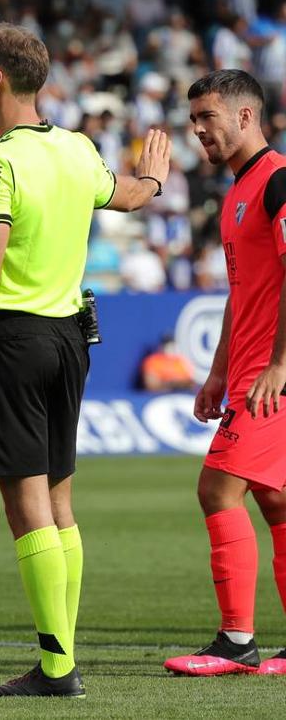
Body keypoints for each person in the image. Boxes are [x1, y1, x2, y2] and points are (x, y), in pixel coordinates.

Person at [0, 23, 170, 697]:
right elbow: (123, 193)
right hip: (70, 340)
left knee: (28, 505)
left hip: (13, 340)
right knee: (60, 504)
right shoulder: (76, 147)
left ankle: (58, 667)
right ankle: (62, 659)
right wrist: (154, 176)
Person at [163, 69, 286, 677]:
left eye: (206, 118)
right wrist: (217, 371)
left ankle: (236, 642)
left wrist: (280, 365)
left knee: (216, 488)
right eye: (194, 120)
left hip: (276, 376)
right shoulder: (238, 192)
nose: (197, 131)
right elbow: (245, 292)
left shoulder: (278, 182)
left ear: (245, 116)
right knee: (276, 501)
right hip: (249, 372)